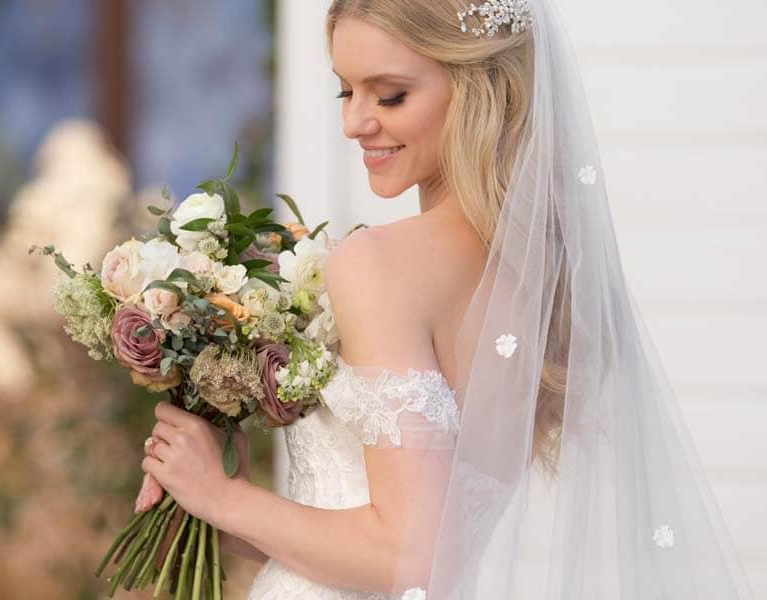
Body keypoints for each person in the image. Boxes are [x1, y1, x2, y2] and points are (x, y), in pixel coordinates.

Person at [138, 0, 756, 598]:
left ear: (477, 88)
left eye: (390, 95)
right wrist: (229, 504)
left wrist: (224, 498)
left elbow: (413, 556)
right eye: (345, 91)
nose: (355, 122)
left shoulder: (380, 265)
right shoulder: (535, 275)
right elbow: (402, 549)